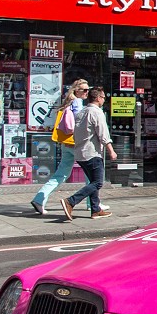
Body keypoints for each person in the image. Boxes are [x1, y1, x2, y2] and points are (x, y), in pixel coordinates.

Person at [30, 80, 100, 215]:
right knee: (91, 175)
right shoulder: (78, 103)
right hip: (76, 144)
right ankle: (92, 205)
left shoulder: (67, 102)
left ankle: (39, 199)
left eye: (88, 89)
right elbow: (80, 124)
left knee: (61, 174)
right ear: (77, 91)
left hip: (66, 143)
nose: (87, 92)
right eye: (84, 90)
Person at [61, 87, 116, 221]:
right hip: (92, 153)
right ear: (98, 98)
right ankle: (71, 201)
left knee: (93, 182)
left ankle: (95, 210)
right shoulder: (97, 112)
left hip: (80, 153)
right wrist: (111, 151)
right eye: (103, 97)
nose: (104, 100)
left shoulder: (81, 112)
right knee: (98, 183)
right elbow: (103, 135)